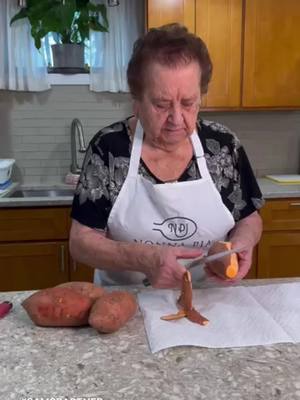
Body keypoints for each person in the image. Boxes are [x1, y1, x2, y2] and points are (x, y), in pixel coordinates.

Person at [69, 23, 264, 288]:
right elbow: (80, 242)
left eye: (188, 103)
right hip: (128, 305)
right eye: (161, 104)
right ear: (136, 100)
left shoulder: (223, 146)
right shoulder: (109, 149)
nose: (176, 118)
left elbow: (249, 218)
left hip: (212, 301)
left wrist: (244, 243)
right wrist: (145, 258)